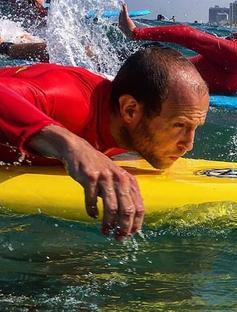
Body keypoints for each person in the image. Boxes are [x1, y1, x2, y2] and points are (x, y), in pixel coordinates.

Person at [0, 47, 209, 238]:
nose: (189, 144)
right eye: (179, 125)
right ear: (130, 110)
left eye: (196, 127)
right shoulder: (72, 100)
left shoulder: (128, 130)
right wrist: (72, 145)